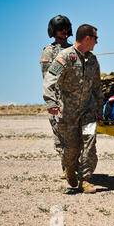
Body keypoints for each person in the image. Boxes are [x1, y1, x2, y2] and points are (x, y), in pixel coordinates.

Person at [43, 24, 103, 194]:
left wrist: (99, 107)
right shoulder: (65, 57)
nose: (97, 42)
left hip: (88, 110)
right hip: (67, 111)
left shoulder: (92, 60)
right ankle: (69, 167)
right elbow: (50, 79)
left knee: (90, 145)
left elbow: (97, 86)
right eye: (95, 38)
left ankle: (85, 180)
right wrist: (51, 102)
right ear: (87, 38)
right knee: (72, 148)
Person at [40, 15, 73, 179]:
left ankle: (74, 166)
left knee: (74, 135)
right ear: (53, 31)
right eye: (61, 29)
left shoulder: (73, 49)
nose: (64, 31)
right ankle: (66, 167)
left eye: (66, 28)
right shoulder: (48, 51)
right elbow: (47, 77)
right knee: (60, 135)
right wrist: (51, 101)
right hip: (57, 100)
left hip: (72, 99)